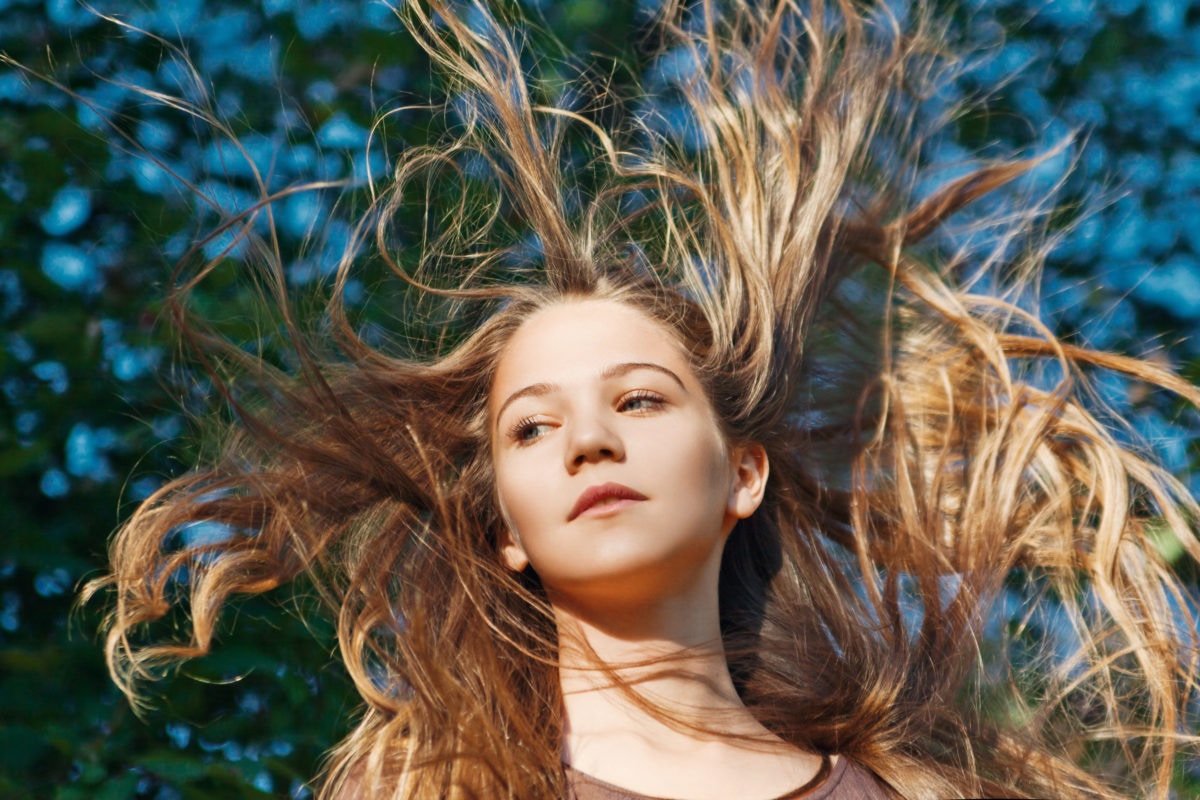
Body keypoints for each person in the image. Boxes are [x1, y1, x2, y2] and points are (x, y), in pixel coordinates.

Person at [83, 1, 1200, 798]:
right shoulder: (426, 786)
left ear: (743, 472)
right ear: (505, 528)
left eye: (643, 399)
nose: (587, 438)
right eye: (532, 425)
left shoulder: (908, 789)